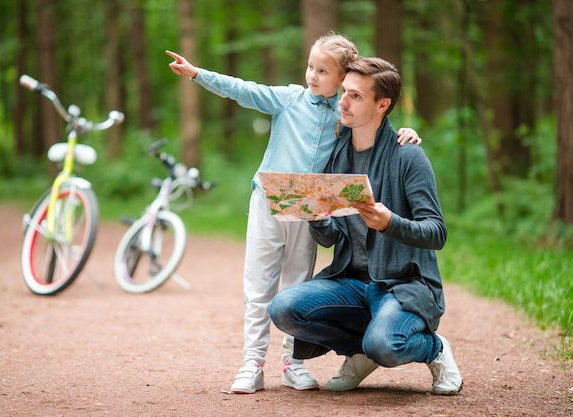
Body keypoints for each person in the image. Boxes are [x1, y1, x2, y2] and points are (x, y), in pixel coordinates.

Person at [166, 35, 422, 394]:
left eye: (323, 70)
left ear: (342, 77)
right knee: (258, 286)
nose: (312, 75)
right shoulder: (288, 99)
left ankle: (292, 364)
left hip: (309, 211)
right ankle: (252, 364)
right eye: (310, 67)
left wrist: (406, 133)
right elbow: (243, 89)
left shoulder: (345, 115)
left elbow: (376, 129)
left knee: (297, 286)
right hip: (268, 202)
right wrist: (196, 74)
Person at [269, 56, 463, 396]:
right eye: (343, 91)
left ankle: (434, 349)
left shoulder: (408, 155)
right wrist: (318, 217)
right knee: (284, 310)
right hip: (352, 283)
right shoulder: (337, 155)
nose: (342, 101)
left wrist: (391, 223)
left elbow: (437, 232)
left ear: (382, 104)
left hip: (402, 285)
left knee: (386, 345)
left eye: (355, 96)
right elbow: (331, 238)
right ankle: (359, 353)